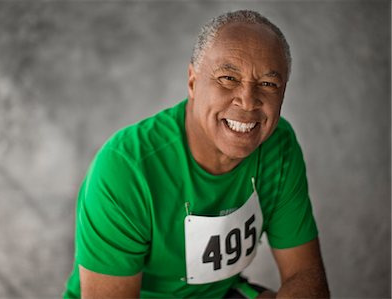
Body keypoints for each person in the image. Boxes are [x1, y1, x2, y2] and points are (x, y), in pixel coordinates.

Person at [63, 9, 329, 298]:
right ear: (192, 82)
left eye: (268, 84)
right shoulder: (127, 169)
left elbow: (305, 275)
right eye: (228, 78)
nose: (248, 100)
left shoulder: (279, 146)